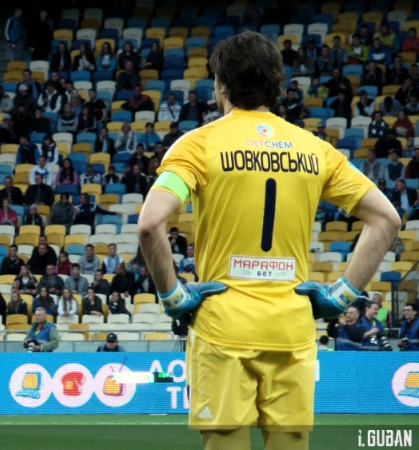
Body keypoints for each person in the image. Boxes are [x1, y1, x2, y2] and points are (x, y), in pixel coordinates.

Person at [137, 31, 399, 449]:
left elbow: (150, 224)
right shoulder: (315, 150)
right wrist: (341, 296)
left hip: (222, 327)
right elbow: (386, 219)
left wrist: (172, 296)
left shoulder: (198, 146)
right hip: (291, 329)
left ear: (221, 85)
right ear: (276, 84)